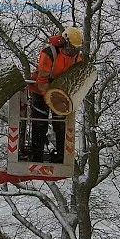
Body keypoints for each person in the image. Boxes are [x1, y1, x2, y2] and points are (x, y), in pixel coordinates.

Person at [27, 27, 84, 163]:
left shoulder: (77, 57)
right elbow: (42, 80)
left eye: (76, 49)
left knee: (60, 123)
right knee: (40, 122)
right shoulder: (49, 53)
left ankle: (61, 156)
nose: (73, 52)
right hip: (41, 90)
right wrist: (50, 98)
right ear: (64, 42)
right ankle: (37, 156)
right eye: (71, 48)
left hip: (60, 92)